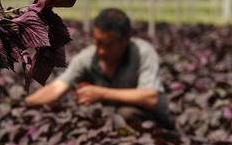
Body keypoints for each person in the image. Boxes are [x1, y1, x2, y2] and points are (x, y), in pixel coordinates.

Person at [25, 8, 174, 128]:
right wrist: (26, 103)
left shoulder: (143, 52)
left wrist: (101, 93)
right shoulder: (87, 58)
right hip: (116, 123)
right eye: (98, 43)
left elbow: (151, 97)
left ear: (126, 39)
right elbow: (57, 88)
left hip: (155, 123)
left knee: (126, 114)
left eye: (108, 45)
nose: (101, 50)